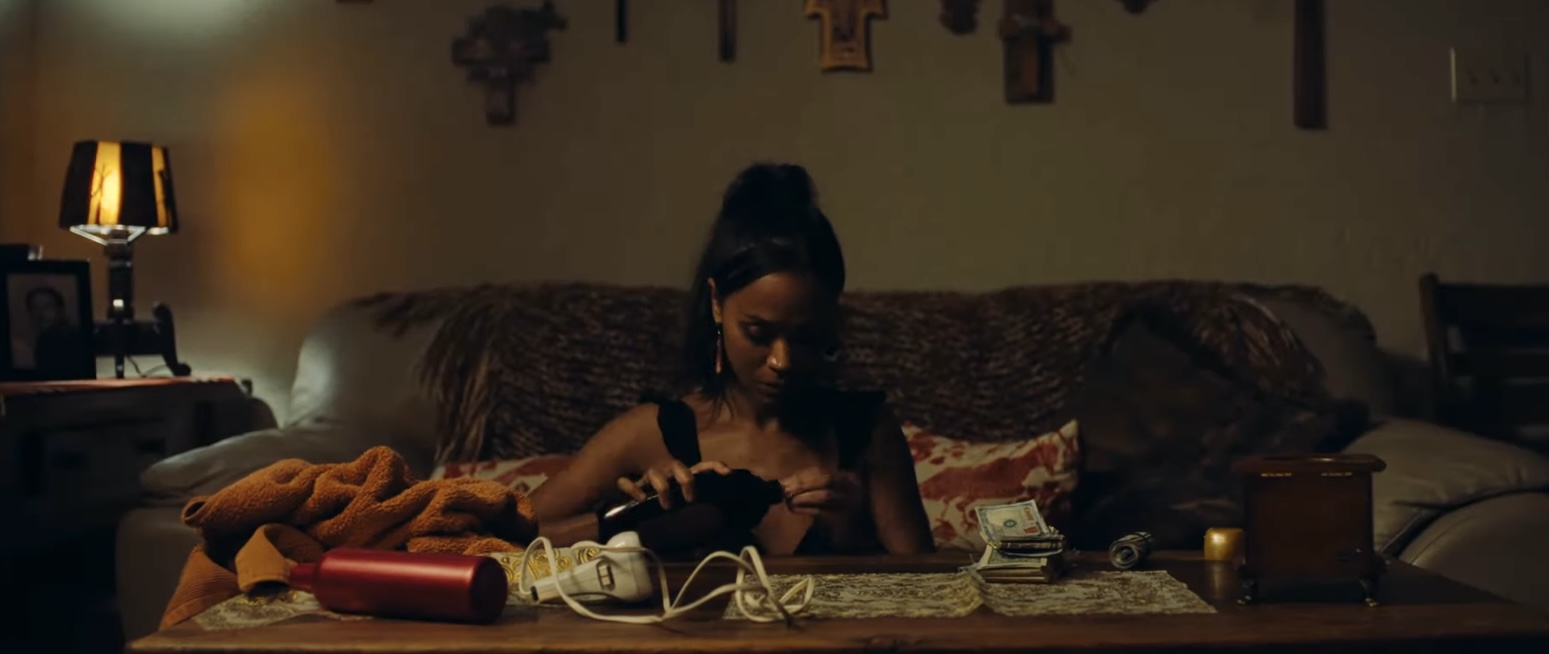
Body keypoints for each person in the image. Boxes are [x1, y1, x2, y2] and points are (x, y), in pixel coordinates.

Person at [529, 163, 934, 556]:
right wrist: (632, 525)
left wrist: (858, 534)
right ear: (716, 304)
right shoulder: (650, 433)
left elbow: (932, 588)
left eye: (806, 337)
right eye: (758, 333)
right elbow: (502, 539)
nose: (782, 361)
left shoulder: (867, 432)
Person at [25, 286, 84, 376]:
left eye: (47, 307)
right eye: (35, 308)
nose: (40, 314)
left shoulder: (67, 340)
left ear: (60, 310)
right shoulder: (40, 341)